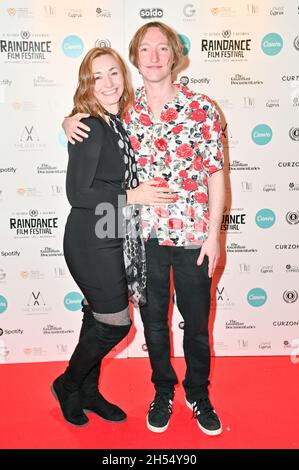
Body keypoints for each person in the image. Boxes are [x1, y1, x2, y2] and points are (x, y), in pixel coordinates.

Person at [63, 22, 225, 436]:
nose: (153, 57)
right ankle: (163, 391)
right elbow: (91, 125)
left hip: (192, 237)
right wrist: (68, 121)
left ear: (174, 55)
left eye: (161, 49)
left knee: (196, 323)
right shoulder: (126, 112)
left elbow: (216, 175)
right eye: (145, 50)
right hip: (141, 238)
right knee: (153, 324)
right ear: (136, 58)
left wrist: (214, 237)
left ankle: (199, 394)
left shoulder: (202, 108)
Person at [53, 46, 175, 427]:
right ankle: (68, 384)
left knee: (96, 318)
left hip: (112, 231)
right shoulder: (89, 126)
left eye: (113, 74)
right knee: (116, 323)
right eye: (97, 76)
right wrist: (132, 196)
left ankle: (88, 392)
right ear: (87, 84)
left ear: (124, 78)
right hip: (91, 239)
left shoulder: (116, 121)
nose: (107, 83)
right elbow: (78, 194)